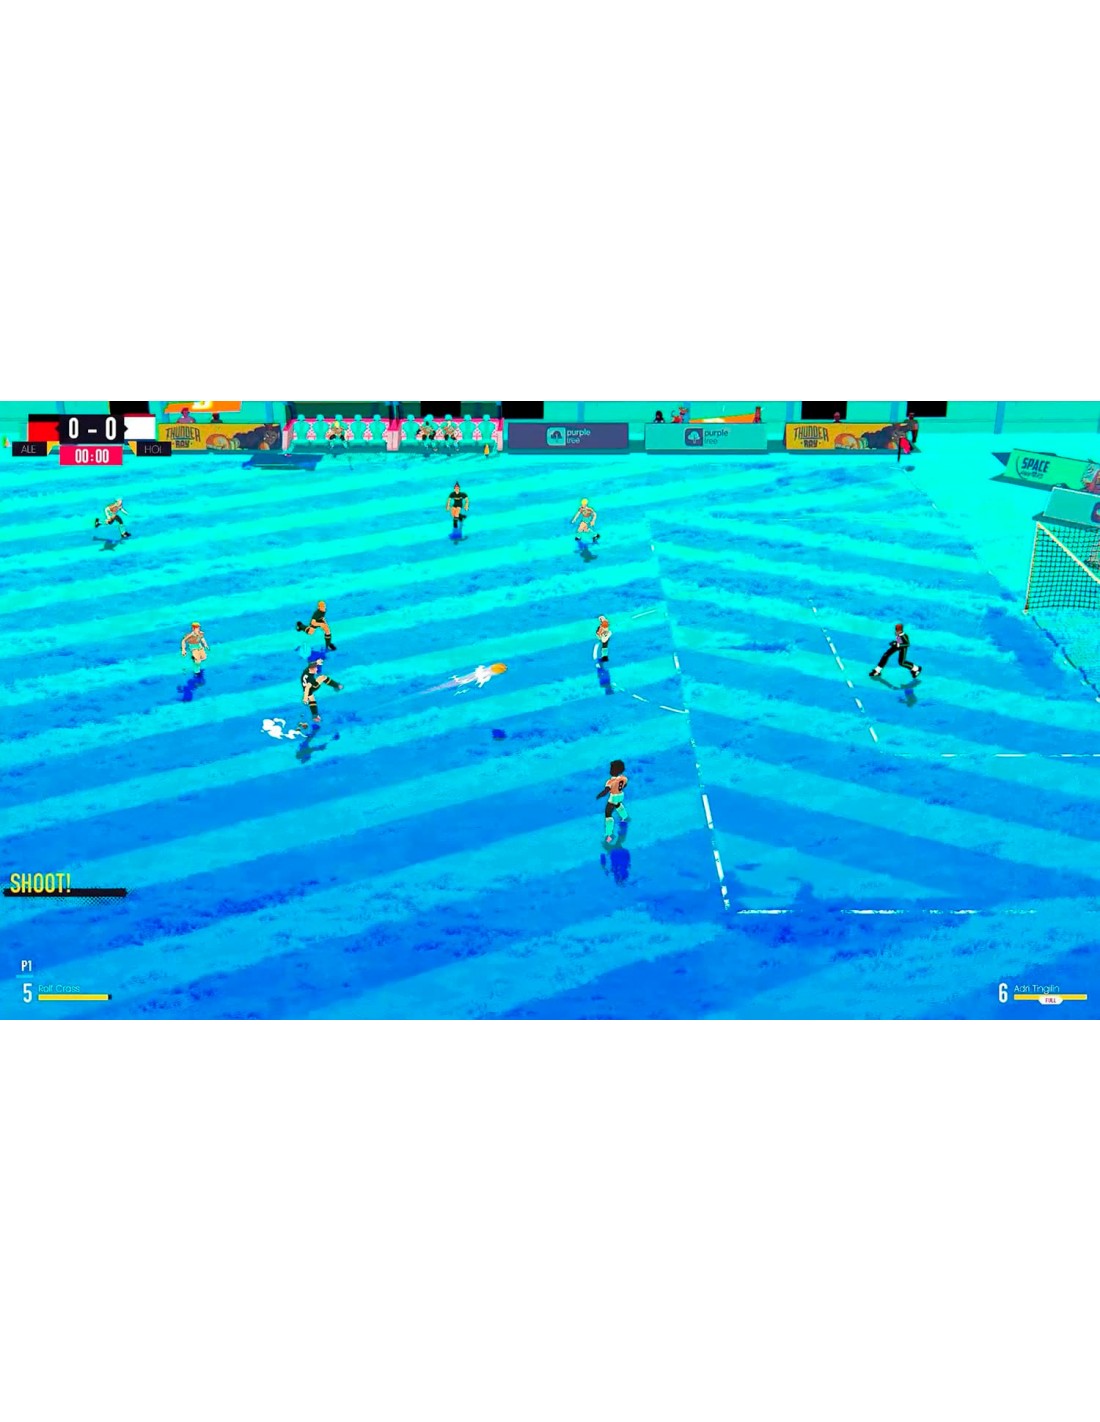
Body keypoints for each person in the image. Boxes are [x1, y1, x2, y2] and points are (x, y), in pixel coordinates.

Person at [299, 658, 343, 727]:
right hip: (312, 687)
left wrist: (316, 662)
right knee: (322, 677)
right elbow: (308, 687)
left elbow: (310, 665)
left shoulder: (306, 670)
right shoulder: (310, 679)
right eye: (316, 668)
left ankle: (315, 716)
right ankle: (337, 686)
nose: (317, 669)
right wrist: (305, 698)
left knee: (312, 699)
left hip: (306, 688)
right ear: (312, 669)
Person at [596, 759, 630, 844]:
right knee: (618, 804)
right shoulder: (624, 778)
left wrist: (599, 795)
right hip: (620, 795)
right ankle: (625, 816)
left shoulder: (610, 782)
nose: (610, 770)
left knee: (608, 814)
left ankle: (609, 834)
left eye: (611, 769)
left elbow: (605, 792)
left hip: (613, 797)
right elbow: (625, 785)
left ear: (614, 770)